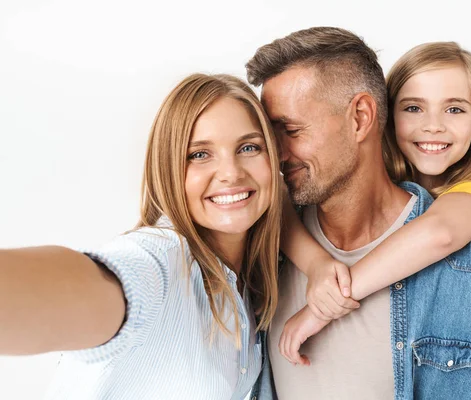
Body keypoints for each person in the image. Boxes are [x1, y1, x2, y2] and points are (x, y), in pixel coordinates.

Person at [246, 27, 471, 400]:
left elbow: (440, 233)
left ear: (361, 117)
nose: (275, 152)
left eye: (291, 130)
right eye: (414, 108)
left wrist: (327, 302)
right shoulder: (261, 251)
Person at [0, 73, 282, 400]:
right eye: (199, 154)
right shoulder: (161, 261)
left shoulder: (252, 287)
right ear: (168, 169)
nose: (232, 173)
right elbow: (92, 286)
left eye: (248, 147)